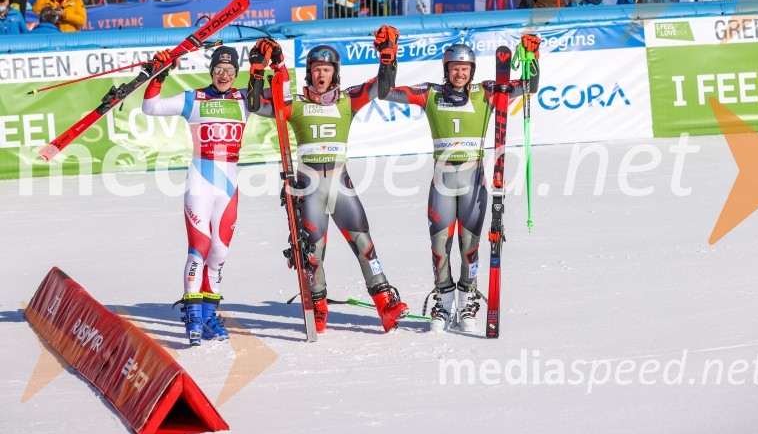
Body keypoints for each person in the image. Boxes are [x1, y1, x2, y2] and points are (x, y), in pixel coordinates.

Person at [380, 34, 541, 333]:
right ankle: (444, 303)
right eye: (455, 67)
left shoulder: (487, 92)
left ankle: (467, 301)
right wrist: (388, 60)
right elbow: (386, 92)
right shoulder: (430, 93)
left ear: (472, 71)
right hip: (442, 181)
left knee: (470, 247)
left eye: (465, 68)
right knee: (439, 246)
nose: (460, 73)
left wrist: (533, 59)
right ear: (446, 68)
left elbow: (528, 87)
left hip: (474, 181)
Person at [256, 29, 410, 334]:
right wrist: (262, 69)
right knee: (313, 253)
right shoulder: (296, 103)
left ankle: (385, 305)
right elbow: (258, 105)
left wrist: (388, 58)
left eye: (326, 70)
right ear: (309, 73)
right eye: (316, 70)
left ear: (335, 72)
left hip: (341, 183)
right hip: (308, 186)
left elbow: (382, 87)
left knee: (365, 244)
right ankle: (318, 307)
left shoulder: (348, 99)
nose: (321, 75)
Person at [141, 41, 277, 345]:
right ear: (211, 71)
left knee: (220, 252)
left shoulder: (245, 98)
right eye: (219, 69)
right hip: (200, 182)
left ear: (236, 73)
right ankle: (192, 316)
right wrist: (159, 75)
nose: (224, 75)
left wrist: (272, 65)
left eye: (229, 70)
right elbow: (151, 107)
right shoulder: (194, 98)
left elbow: (283, 98)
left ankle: (208, 316)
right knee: (199, 247)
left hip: (228, 186)